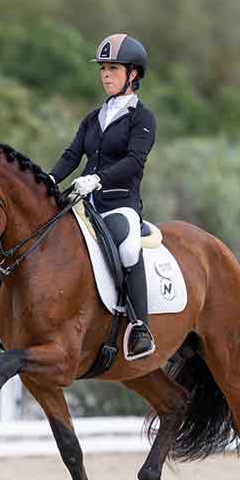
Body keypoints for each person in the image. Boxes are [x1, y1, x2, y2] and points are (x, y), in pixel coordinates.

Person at [49, 33, 157, 361]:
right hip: (85, 203)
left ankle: (141, 327)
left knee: (127, 249)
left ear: (133, 74)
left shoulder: (142, 118)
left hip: (119, 203)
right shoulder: (92, 118)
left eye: (113, 68)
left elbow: (134, 161)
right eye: (103, 69)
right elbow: (72, 155)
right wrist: (48, 180)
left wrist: (97, 179)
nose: (105, 74)